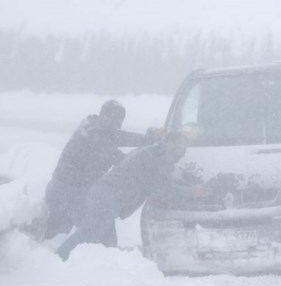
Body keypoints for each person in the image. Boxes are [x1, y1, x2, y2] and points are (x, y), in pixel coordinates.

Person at [56, 131, 192, 260]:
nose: (183, 154)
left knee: (107, 244)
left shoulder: (151, 151)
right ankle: (58, 260)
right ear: (170, 144)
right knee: (87, 235)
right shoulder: (162, 157)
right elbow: (161, 188)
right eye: (181, 149)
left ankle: (97, 271)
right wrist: (191, 191)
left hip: (101, 194)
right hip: (107, 199)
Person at [43, 100, 160, 238]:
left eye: (120, 121)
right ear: (103, 116)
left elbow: (122, 137)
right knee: (101, 233)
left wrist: (149, 140)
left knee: (58, 236)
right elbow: (120, 160)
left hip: (69, 189)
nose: (118, 124)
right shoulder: (94, 135)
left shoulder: (96, 128)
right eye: (114, 119)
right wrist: (149, 164)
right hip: (68, 192)